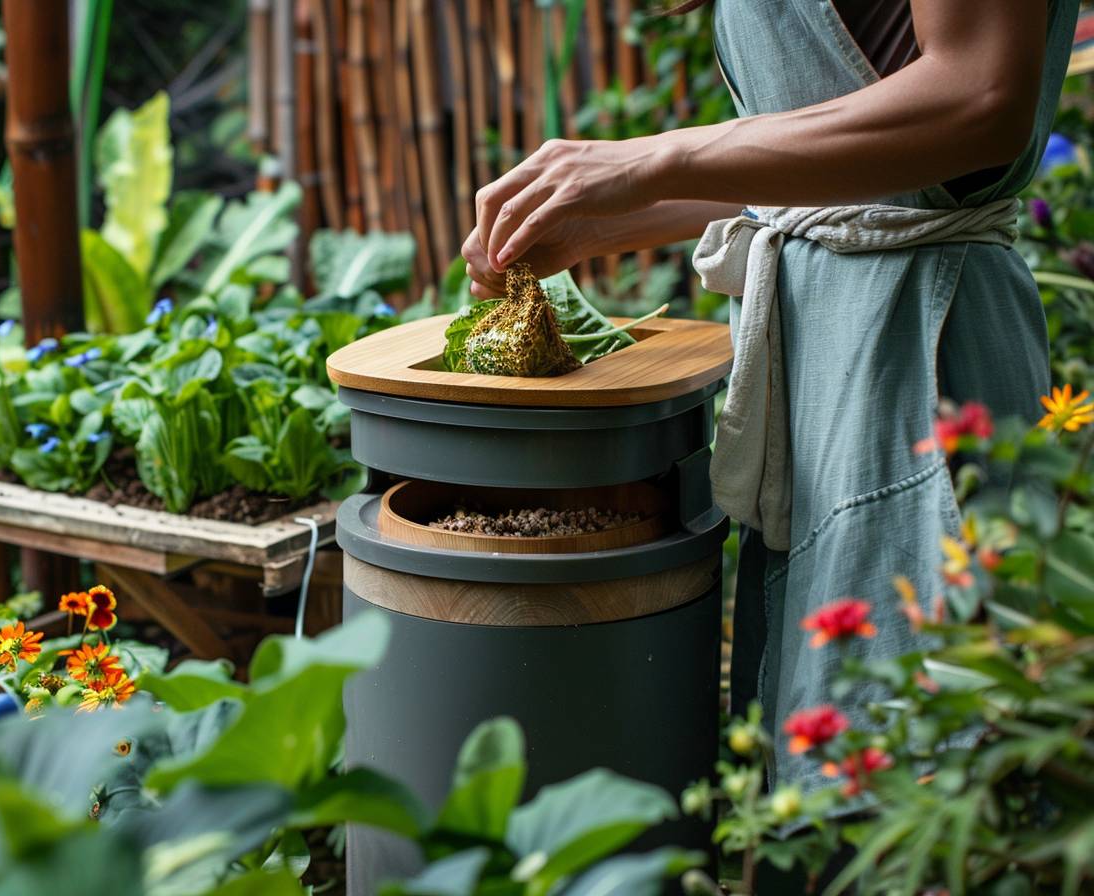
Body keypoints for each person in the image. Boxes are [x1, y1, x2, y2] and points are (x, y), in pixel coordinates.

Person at [463, 0, 1080, 790]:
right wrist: (598, 225)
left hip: (919, 365)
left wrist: (658, 156)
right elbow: (830, 172)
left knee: (928, 774)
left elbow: (978, 94)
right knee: (833, 757)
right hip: (824, 380)